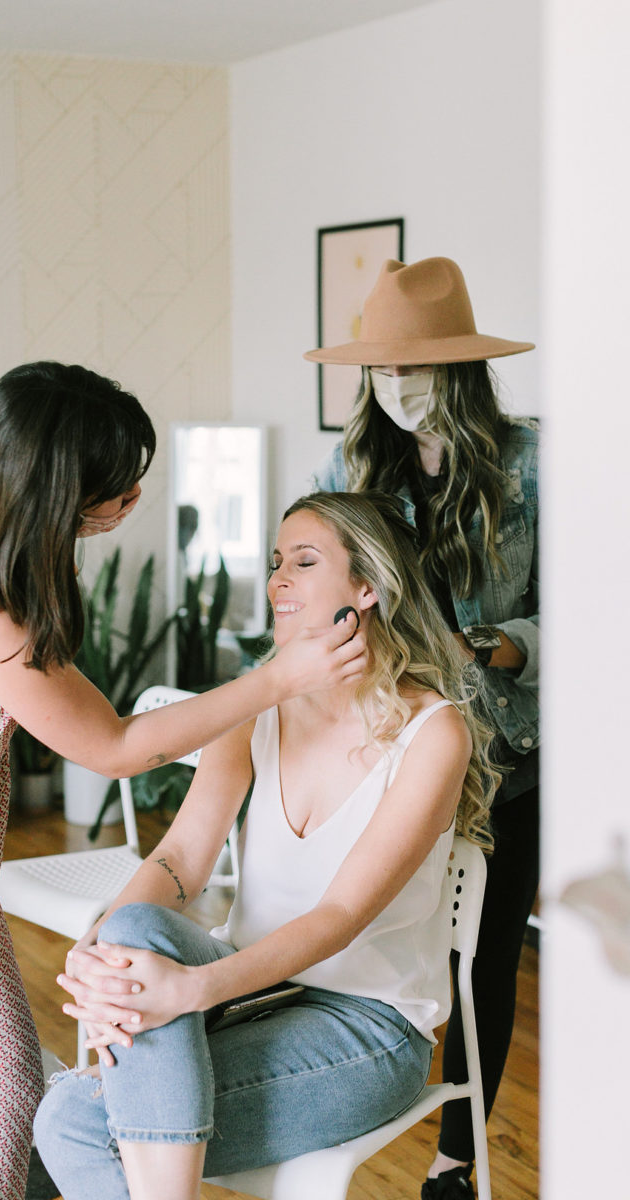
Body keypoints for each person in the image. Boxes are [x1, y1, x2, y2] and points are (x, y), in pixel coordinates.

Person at [0, 361, 366, 1200]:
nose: (130, 504)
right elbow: (114, 747)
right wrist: (273, 679)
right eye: (115, 495)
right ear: (58, 496)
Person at [33, 489, 497, 1200]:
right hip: (249, 987)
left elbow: (340, 916)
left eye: (303, 562)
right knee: (130, 927)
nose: (278, 580)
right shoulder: (256, 708)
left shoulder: (433, 734)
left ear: (368, 587)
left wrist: (193, 989)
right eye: (277, 561)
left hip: (366, 1029)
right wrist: (99, 946)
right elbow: (181, 859)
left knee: (72, 1119)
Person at [305, 256, 539, 1200]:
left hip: (510, 756)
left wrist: (497, 643)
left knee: (483, 958)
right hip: (391, 751)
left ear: (462, 365)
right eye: (382, 370)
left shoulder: (533, 462)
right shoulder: (349, 469)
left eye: (418, 368)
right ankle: (354, 1109)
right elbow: (314, 600)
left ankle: (458, 1151)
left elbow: (598, 603)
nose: (398, 389)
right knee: (389, 938)